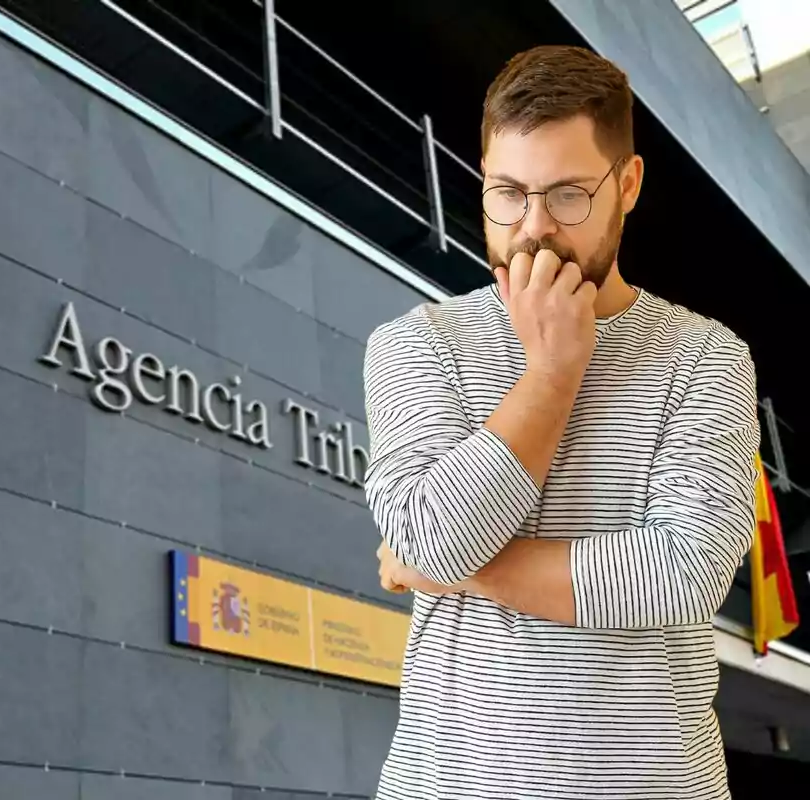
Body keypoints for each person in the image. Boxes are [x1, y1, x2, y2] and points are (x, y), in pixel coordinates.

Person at [363, 45, 760, 800]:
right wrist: (552, 373)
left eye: (569, 195)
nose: (533, 228)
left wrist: (446, 566)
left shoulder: (706, 356)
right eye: (507, 193)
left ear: (629, 185)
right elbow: (430, 536)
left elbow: (682, 573)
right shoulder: (417, 344)